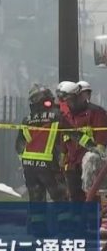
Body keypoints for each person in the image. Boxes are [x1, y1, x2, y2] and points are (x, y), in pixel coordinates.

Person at [15, 84, 69, 234]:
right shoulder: (58, 116)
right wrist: (93, 146)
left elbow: (19, 146)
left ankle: (39, 232)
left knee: (36, 200)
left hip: (29, 167)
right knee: (60, 197)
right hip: (49, 165)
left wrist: (25, 162)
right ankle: (65, 231)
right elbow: (73, 134)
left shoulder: (26, 120)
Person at [59, 82, 107, 203]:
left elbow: (101, 138)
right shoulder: (67, 116)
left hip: (89, 164)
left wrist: (97, 159)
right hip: (72, 164)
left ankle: (92, 215)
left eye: (70, 100)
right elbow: (64, 138)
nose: (68, 104)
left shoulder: (96, 112)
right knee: (75, 198)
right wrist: (63, 159)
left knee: (91, 197)